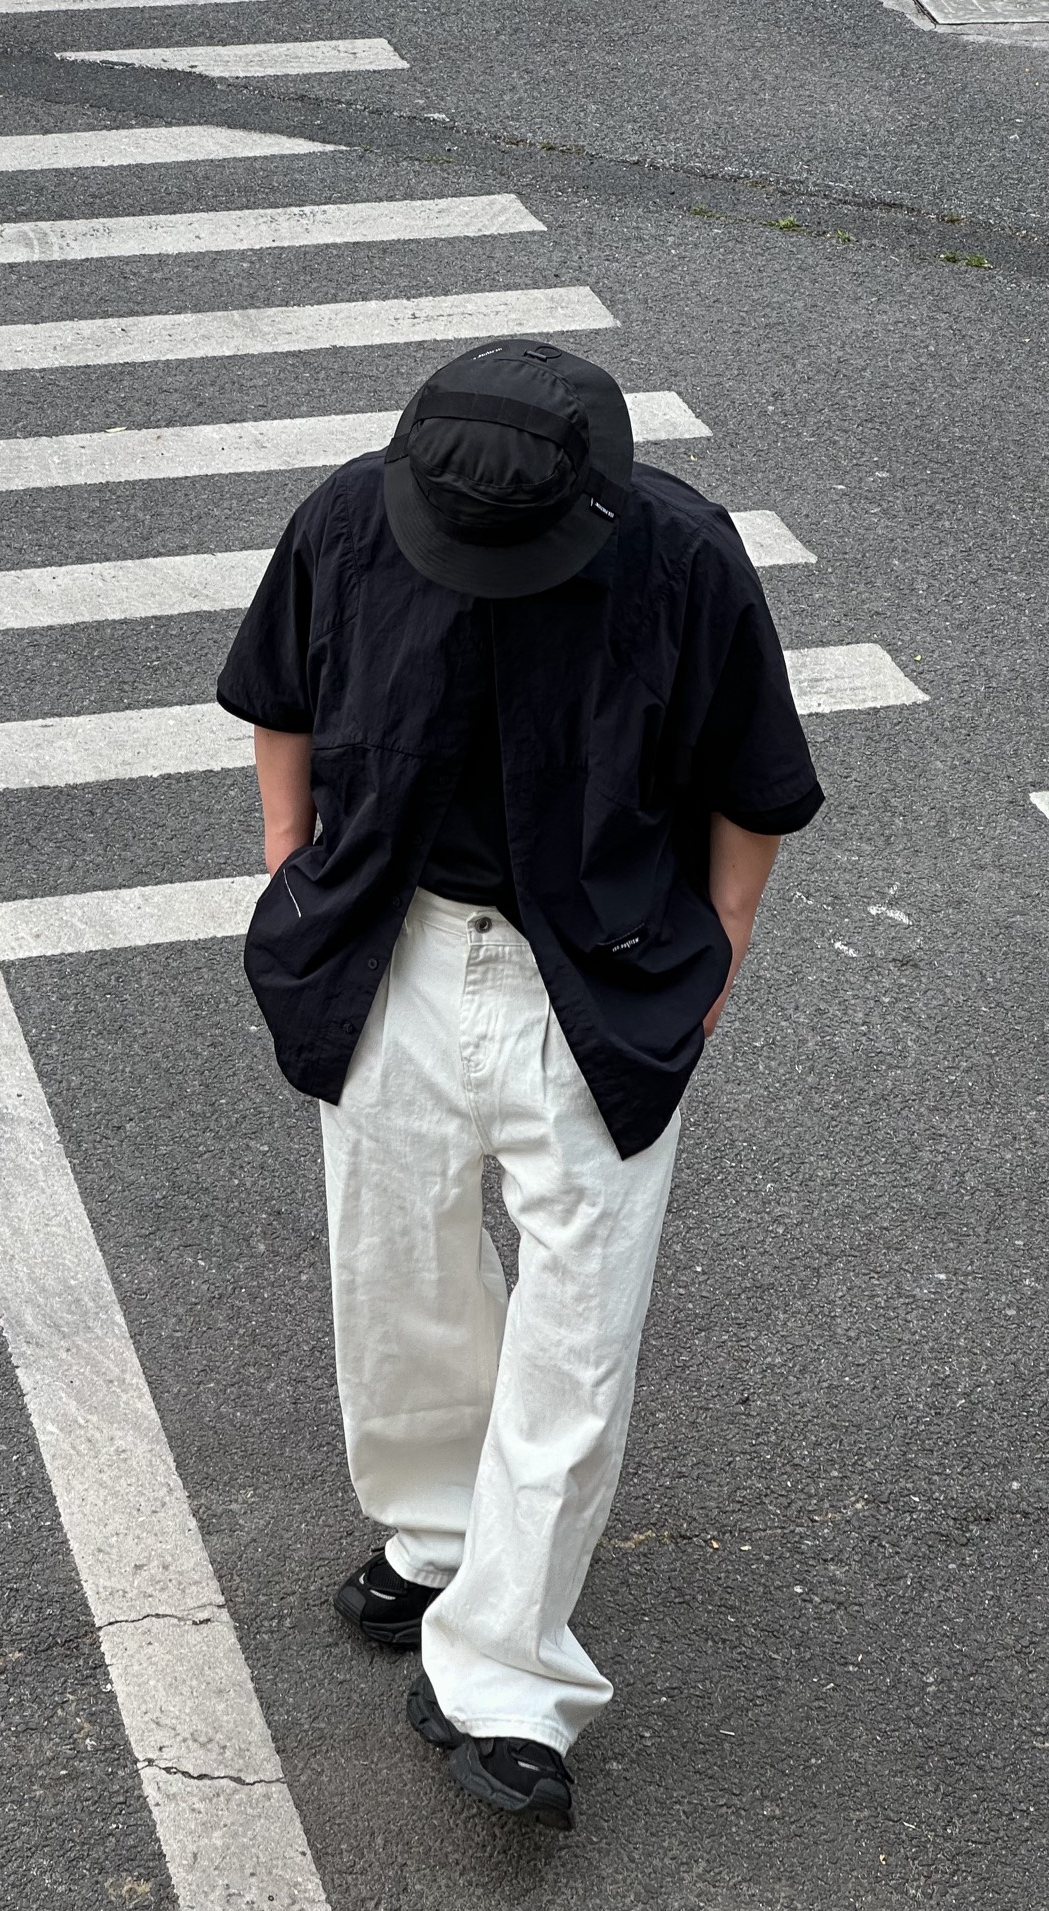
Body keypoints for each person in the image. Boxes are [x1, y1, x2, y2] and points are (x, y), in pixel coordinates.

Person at [216, 340, 823, 1831]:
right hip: (394, 949)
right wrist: (287, 863)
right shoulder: (349, 516)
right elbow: (278, 692)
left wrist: (723, 948)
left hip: (598, 974)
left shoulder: (683, 555)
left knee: (577, 1334)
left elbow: (752, 778)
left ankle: (509, 1686)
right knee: (397, 1275)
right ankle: (438, 1542)